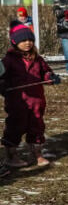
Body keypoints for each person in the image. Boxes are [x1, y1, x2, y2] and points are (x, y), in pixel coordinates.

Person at [2, 23, 60, 167]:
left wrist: (50, 77)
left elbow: (45, 73)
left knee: (37, 127)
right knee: (15, 127)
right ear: (15, 42)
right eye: (23, 40)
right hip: (17, 102)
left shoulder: (38, 59)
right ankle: (11, 155)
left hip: (37, 101)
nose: (27, 43)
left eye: (30, 40)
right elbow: (2, 78)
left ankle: (37, 154)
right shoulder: (8, 60)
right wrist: (4, 87)